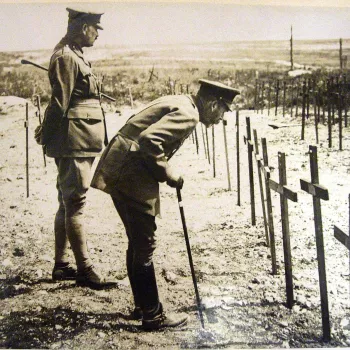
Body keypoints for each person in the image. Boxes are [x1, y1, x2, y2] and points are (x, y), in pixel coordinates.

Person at [91, 79, 240, 330]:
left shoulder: (182, 101)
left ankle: (142, 306)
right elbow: (150, 140)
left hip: (124, 165)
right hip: (131, 172)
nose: (220, 118)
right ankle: (153, 315)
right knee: (144, 244)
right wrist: (168, 172)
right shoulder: (189, 114)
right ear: (214, 104)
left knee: (137, 241)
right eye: (223, 111)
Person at [35, 6, 116, 290]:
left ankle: (62, 265)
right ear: (84, 28)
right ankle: (84, 269)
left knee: (67, 202)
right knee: (75, 203)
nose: (97, 35)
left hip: (80, 140)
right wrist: (47, 132)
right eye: (95, 29)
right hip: (73, 142)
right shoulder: (66, 58)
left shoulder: (74, 55)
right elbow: (60, 103)